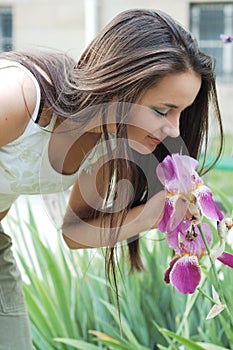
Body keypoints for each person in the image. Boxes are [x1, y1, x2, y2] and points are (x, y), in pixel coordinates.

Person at [0, 8, 223, 350]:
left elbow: (75, 233)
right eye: (163, 110)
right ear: (119, 88)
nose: (174, 130)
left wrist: (153, 213)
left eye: (182, 112)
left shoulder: (105, 142)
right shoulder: (18, 99)